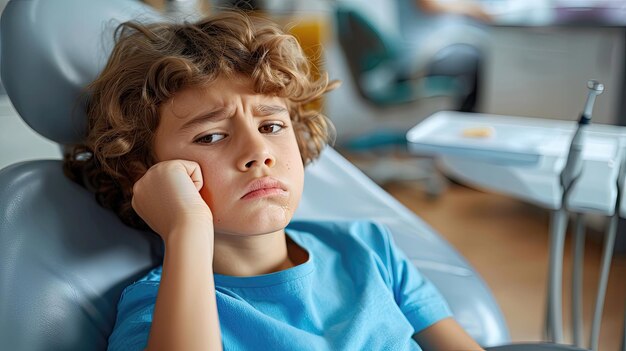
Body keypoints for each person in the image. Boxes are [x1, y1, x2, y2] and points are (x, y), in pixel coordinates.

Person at [64, 10, 484, 351]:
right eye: (211, 136)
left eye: (271, 127)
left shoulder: (369, 249)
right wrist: (186, 227)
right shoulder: (161, 310)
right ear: (145, 172)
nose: (257, 153)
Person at [396, 0, 493, 112]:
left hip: (438, 49)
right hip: (418, 58)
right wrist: (473, 9)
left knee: (479, 57)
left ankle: (466, 119)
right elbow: (427, 5)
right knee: (478, 62)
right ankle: (466, 120)